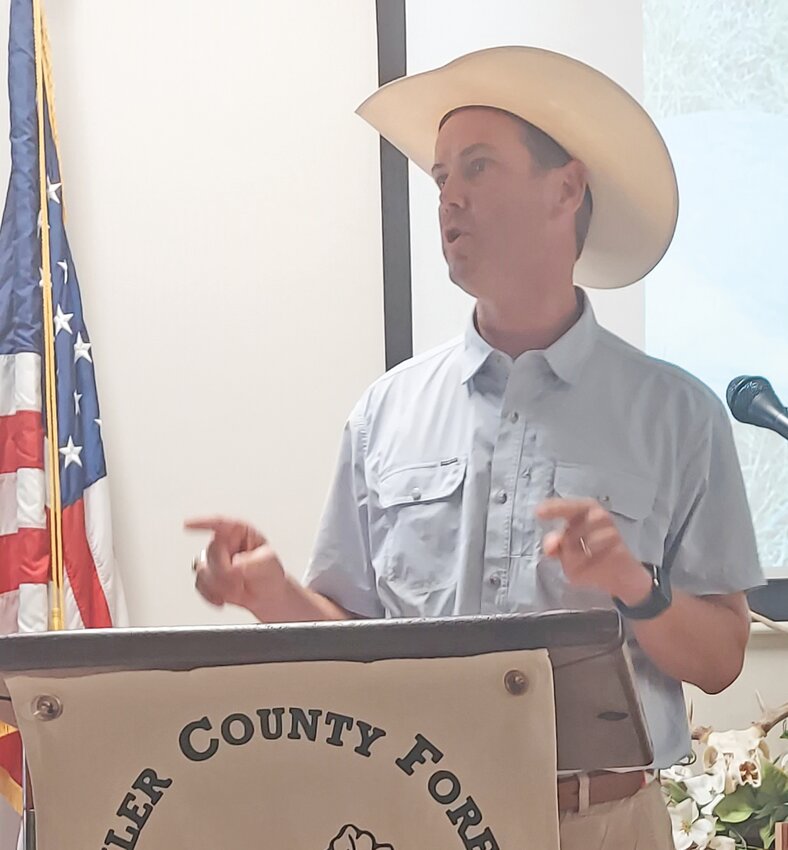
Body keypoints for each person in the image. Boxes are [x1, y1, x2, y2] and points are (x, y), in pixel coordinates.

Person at [186, 47, 764, 848]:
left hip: (602, 823)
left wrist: (632, 584)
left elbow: (722, 659)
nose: (448, 197)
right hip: (413, 817)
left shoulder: (680, 416)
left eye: (479, 167)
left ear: (566, 187)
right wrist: (272, 593)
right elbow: (351, 642)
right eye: (439, 178)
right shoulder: (385, 414)